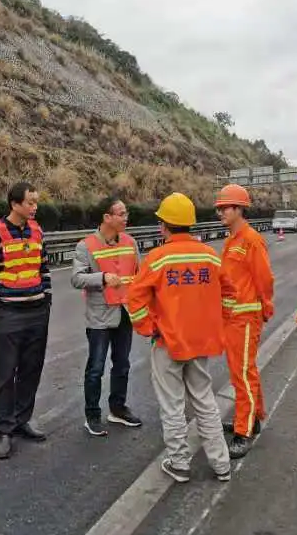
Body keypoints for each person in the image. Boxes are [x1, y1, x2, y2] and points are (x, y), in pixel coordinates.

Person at [127, 192, 235, 483]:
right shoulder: (209, 256)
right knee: (205, 400)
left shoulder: (157, 258)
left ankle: (179, 463)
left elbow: (134, 299)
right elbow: (229, 293)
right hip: (201, 343)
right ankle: (221, 464)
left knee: (172, 404)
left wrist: (148, 328)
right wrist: (215, 324)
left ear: (164, 226)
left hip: (168, 343)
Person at [0, 181, 52, 460]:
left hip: (37, 310)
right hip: (10, 312)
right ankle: (3, 430)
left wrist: (47, 297)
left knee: (31, 369)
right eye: (30, 202)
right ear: (15, 204)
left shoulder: (36, 229)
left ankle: (22, 420)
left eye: (36, 202)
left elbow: (43, 266)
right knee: (5, 373)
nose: (35, 207)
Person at [71, 195, 143, 436]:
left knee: (122, 364)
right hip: (100, 316)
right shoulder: (86, 245)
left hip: (125, 313)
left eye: (126, 213)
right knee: (96, 367)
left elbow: (139, 276)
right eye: (121, 214)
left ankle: (118, 409)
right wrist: (101, 278)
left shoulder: (131, 243)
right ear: (107, 217)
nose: (126, 217)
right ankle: (92, 415)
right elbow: (77, 278)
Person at [214, 184, 275, 459]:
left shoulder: (251, 240)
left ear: (239, 209)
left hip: (246, 317)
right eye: (219, 208)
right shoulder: (232, 240)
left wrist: (266, 307)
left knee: (242, 374)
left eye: (225, 207)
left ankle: (244, 430)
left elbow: (264, 279)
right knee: (244, 371)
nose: (220, 212)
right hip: (232, 317)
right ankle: (253, 417)